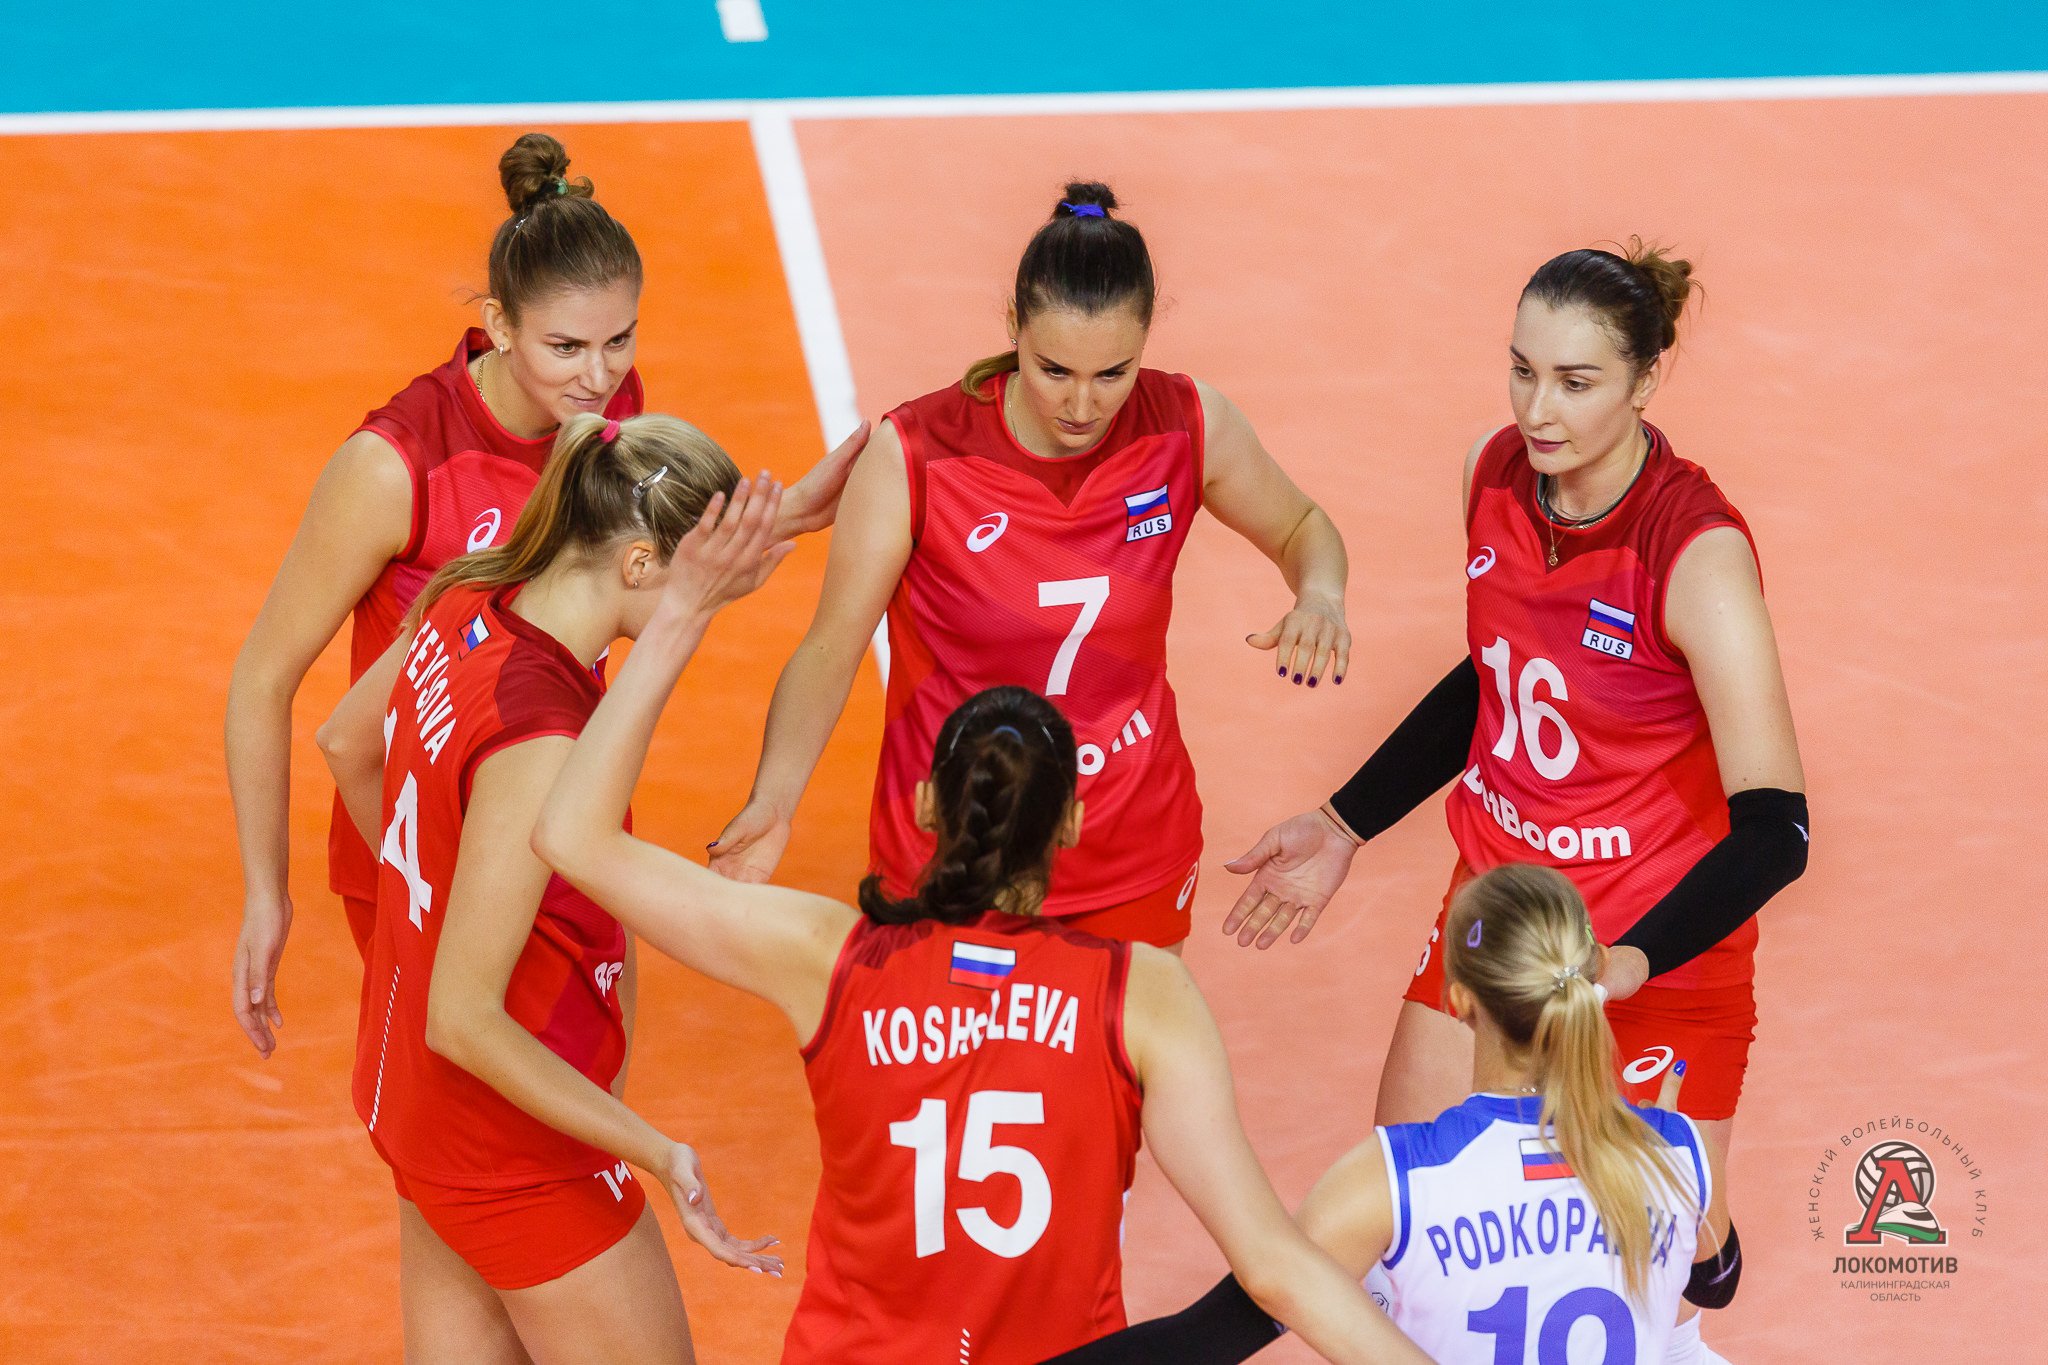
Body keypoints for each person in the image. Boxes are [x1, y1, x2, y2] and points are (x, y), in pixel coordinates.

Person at [531, 551, 1425, 1363]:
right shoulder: (1142, 994)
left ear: (927, 805)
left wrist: (680, 613)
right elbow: (1272, 1270)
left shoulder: (828, 956)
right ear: (1070, 822)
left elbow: (571, 834)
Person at [1222, 242, 1802, 1361]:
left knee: (1664, 1285)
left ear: (1645, 381)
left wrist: (1631, 960)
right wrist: (1344, 823)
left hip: (1651, 952)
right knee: (1408, 1252)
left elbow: (1778, 829)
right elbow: (1498, 669)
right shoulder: (1493, 475)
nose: (1538, 411)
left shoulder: (1694, 551)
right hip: (1497, 919)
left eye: (1576, 383)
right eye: (1521, 371)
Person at [228, 130, 860, 1057]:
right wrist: (264, 890)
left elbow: (626, 579)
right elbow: (262, 678)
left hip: (571, 812)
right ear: (499, 322)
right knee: (475, 1111)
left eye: (619, 340)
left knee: (594, 1073)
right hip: (431, 848)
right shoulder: (397, 464)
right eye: (565, 346)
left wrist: (777, 517)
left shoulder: (606, 418)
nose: (599, 375)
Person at [709, 181, 1352, 950]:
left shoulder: (1186, 426)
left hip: (1130, 842)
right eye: (1054, 370)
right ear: (1013, 325)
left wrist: (1321, 594)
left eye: (1112, 374)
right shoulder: (918, 455)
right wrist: (775, 800)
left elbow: (1303, 526)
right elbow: (830, 645)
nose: (1082, 405)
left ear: (1147, 339)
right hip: (954, 847)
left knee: (1130, 1035)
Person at [317, 416, 785, 1364]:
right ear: (641, 564)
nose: (699, 621)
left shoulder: (470, 593)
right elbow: (464, 1017)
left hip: (418, 1104)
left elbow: (346, 743)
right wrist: (655, 1149)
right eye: (697, 596)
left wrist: (440, 905)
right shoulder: (542, 737)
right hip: (513, 1145)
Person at [1046, 864, 1739, 1365]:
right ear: (1591, 975)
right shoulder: (1675, 1149)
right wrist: (1658, 1146)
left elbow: (1211, 1335)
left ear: (1459, 1001)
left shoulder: (1394, 1178)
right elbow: (1716, 1281)